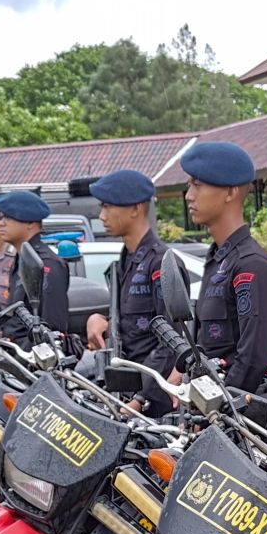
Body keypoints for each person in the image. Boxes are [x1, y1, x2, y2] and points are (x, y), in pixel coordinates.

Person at [183, 142, 267, 398]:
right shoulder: (218, 257)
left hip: (236, 422)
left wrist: (220, 408)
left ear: (229, 192)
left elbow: (253, 358)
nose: (188, 195)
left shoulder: (250, 264)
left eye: (198, 185)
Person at [84, 169, 184, 416]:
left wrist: (140, 400)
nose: (101, 215)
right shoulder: (124, 262)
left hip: (152, 402)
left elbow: (171, 342)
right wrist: (101, 321)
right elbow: (129, 327)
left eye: (108, 207)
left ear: (135, 208)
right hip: (123, 390)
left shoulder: (160, 262)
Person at [0, 190, 70, 336]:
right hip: (15, 355)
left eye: (9, 217)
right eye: (1, 217)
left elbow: (52, 327)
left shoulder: (46, 264)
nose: (1, 223)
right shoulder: (22, 258)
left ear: (30, 223)